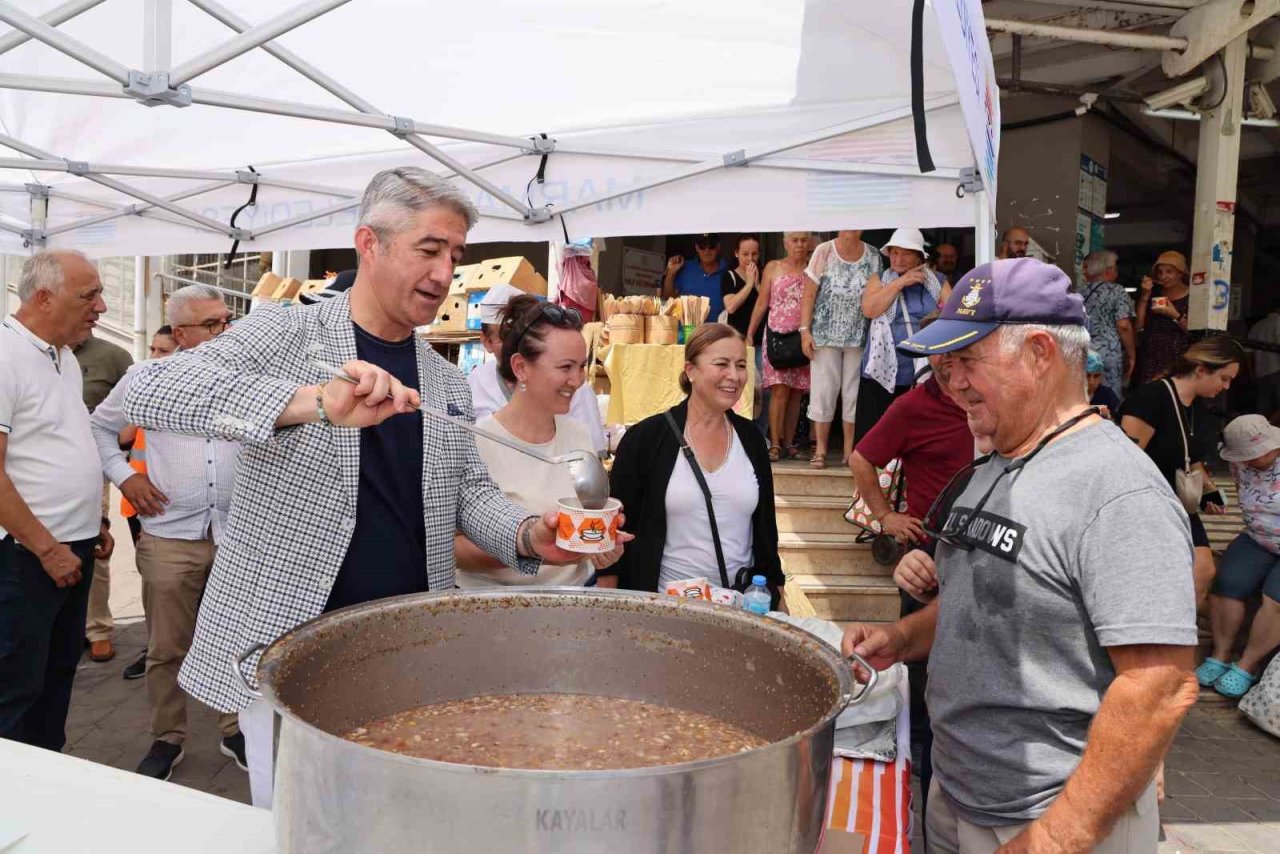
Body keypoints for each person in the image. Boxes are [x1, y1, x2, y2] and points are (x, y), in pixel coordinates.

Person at [123, 167, 614, 808]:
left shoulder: (444, 380)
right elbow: (150, 390)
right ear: (369, 244)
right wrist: (312, 402)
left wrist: (527, 535)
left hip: (406, 651)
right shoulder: (287, 334)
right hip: (291, 650)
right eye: (429, 249)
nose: (444, 273)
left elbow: (468, 491)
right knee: (298, 824)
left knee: (398, 819)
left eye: (456, 255)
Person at [848, 257, 1199, 853]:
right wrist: (903, 639)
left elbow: (1158, 685)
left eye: (967, 361)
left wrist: (1055, 838)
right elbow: (983, 594)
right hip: (957, 794)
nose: (951, 383)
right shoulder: (995, 464)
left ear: (1039, 353)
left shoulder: (1117, 489)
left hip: (1050, 816)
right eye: (945, 366)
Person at [91, 285, 245, 781]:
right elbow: (98, 428)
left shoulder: (249, 376)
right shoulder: (146, 378)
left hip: (238, 536)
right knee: (166, 647)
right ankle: (167, 736)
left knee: (235, 639)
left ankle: (235, 729)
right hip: (170, 537)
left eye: (227, 319)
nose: (226, 331)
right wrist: (126, 476)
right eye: (213, 324)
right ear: (180, 334)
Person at [847, 315, 972, 827]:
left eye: (957, 352)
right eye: (938, 354)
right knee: (923, 687)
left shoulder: (993, 402)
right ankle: (921, 797)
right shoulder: (913, 406)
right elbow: (861, 458)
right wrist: (886, 517)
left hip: (989, 555)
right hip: (928, 560)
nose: (947, 364)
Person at [0, 250, 115, 751]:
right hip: (26, 555)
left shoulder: (62, 356)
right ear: (44, 298)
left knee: (57, 674)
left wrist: (96, 521)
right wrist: (47, 549)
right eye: (89, 295)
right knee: (15, 687)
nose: (102, 307)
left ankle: (46, 776)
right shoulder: (5, 356)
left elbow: (61, 443)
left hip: (70, 545)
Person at [456, 295, 621, 588]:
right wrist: (538, 550)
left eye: (581, 366)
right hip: (496, 605)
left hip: (574, 600)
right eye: (565, 367)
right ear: (521, 367)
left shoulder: (578, 435)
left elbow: (588, 526)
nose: (577, 380)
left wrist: (600, 546)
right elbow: (454, 549)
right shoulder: (476, 442)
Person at [608, 324, 784, 598]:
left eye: (740, 365)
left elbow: (765, 531)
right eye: (721, 364)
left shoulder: (751, 439)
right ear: (690, 370)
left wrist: (777, 594)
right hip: (663, 607)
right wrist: (609, 602)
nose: (734, 376)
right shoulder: (645, 439)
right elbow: (616, 531)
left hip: (738, 606)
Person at [1121, 336, 1245, 604]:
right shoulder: (1152, 398)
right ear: (1201, 370)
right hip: (1148, 502)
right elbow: (1126, 461)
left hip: (1179, 500)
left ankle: (1183, 626)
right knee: (1192, 571)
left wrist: (1209, 493)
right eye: (1224, 378)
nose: (1226, 387)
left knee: (1203, 570)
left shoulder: (1197, 407)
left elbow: (1190, 458)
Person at [1195, 415, 1280, 699]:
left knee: (1276, 598)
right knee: (1227, 583)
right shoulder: (1240, 465)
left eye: (1254, 455)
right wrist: (1212, 497)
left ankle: (1248, 664)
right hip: (1258, 537)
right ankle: (1220, 654)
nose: (1249, 461)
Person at [468, 284, 606, 456]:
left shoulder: (578, 430)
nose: (576, 380)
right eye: (506, 337)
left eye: (581, 366)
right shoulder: (476, 384)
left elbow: (591, 460)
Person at [118, 325, 178, 683]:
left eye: (163, 351)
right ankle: (154, 647)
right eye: (153, 349)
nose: (154, 357)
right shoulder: (143, 386)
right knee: (154, 586)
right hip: (140, 506)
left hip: (172, 510)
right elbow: (123, 436)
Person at [855, 227, 951, 445]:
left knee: (920, 434)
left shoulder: (936, 281)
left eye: (906, 253)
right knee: (877, 436)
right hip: (883, 369)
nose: (898, 259)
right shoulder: (880, 279)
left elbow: (952, 314)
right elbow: (870, 309)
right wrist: (900, 283)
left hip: (923, 368)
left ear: (919, 256)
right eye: (894, 253)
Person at [74, 328, 133, 663]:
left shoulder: (113, 356)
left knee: (94, 545)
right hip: (36, 471)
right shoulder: (32, 355)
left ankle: (97, 629)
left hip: (92, 468)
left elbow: (132, 412)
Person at [799, 230, 880, 468]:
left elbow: (877, 293)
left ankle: (849, 451)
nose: (851, 227)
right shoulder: (823, 251)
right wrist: (804, 330)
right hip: (825, 334)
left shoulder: (873, 255)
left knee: (853, 394)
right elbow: (809, 294)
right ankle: (820, 450)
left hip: (859, 335)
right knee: (824, 391)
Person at [747, 232, 812, 461]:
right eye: (794, 240)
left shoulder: (814, 268)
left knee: (796, 392)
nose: (799, 244)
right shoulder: (773, 267)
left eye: (803, 240)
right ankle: (775, 444)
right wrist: (750, 332)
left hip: (802, 336)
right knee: (779, 389)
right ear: (785, 243)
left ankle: (789, 443)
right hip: (776, 335)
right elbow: (762, 302)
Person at [720, 235, 769, 435]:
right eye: (745, 254)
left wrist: (757, 284)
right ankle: (737, 432)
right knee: (738, 387)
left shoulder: (764, 277)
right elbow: (730, 306)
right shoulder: (729, 277)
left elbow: (769, 306)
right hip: (737, 344)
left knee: (763, 391)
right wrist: (748, 284)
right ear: (736, 254)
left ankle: (760, 434)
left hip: (761, 342)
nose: (750, 259)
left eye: (754, 254)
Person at [1080, 250, 1136, 397]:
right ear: (1109, 270)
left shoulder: (1078, 292)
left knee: (1084, 395)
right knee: (1109, 398)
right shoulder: (1117, 291)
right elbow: (1123, 325)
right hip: (1108, 353)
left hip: (1082, 351)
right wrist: (1132, 355)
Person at [1133, 250, 1191, 385]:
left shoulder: (1192, 296)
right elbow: (1138, 326)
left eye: (1169, 272)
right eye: (1160, 272)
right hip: (1151, 357)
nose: (1164, 276)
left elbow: (1195, 332)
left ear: (1180, 273)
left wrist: (1174, 314)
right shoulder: (1155, 294)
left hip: (1177, 359)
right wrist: (1145, 296)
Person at [661, 233, 729, 321]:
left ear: (718, 246)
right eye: (702, 246)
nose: (707, 250)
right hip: (686, 329)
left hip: (715, 329)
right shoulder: (685, 267)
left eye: (711, 246)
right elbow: (668, 297)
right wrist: (671, 272)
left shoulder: (728, 272)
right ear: (696, 247)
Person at [1250, 299, 1280, 417]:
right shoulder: (1278, 321)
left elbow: (1248, 353)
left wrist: (1252, 374)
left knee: (1263, 410)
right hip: (1277, 371)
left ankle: (1263, 427)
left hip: (1261, 373)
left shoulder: (1257, 326)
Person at [1086, 350, 1121, 415]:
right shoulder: (1070, 395)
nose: (1091, 382)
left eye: (1096, 376)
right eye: (1087, 376)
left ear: (1101, 376)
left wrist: (1108, 417)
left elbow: (1117, 419)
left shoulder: (1108, 395)